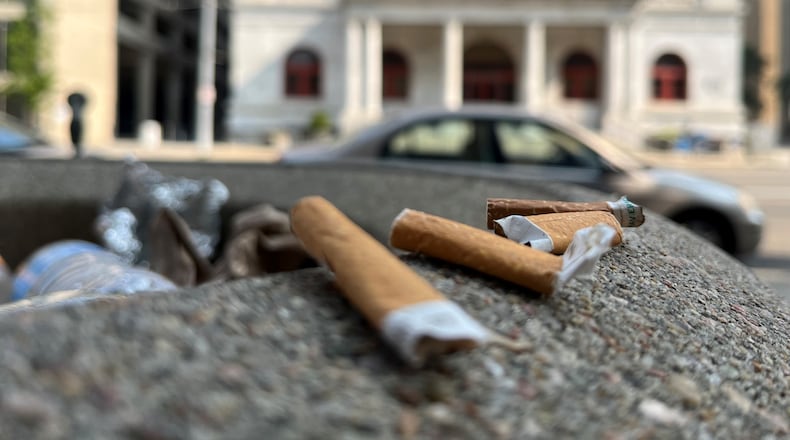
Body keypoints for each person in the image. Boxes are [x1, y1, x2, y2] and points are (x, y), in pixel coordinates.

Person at [67, 92, 87, 158]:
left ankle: (78, 149)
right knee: (74, 135)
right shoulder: (73, 106)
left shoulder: (80, 108)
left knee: (79, 135)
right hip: (74, 121)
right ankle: (75, 149)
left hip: (78, 120)